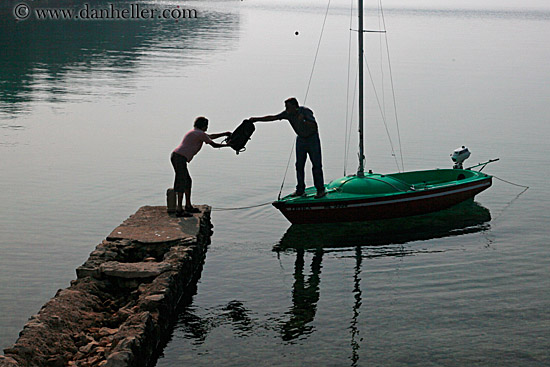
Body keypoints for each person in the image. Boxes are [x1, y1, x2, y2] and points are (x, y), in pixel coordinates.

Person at [247, 97, 326, 198]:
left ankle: (320, 190)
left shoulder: (305, 111)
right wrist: (257, 119)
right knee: (299, 165)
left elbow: (314, 126)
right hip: (301, 140)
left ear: (294, 106)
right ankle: (300, 190)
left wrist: (303, 121)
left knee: (316, 165)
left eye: (288, 106)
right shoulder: (287, 114)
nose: (286, 109)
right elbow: (273, 117)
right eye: (285, 107)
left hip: (312, 139)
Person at [171, 116, 231, 217]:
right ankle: (179, 209)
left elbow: (209, 136)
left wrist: (224, 134)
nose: (207, 127)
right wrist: (228, 145)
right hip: (179, 157)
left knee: (187, 181)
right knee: (181, 181)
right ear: (203, 126)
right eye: (206, 126)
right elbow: (214, 145)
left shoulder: (197, 132)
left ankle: (188, 206)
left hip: (178, 157)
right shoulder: (199, 133)